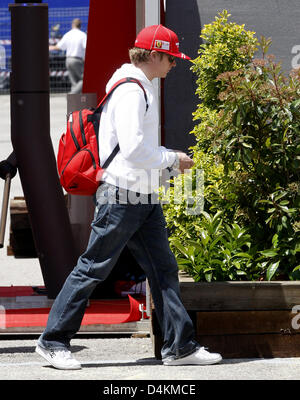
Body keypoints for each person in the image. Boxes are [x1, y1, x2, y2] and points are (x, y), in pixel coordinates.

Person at [36, 24, 222, 369]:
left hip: (138, 193)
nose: (173, 65)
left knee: (163, 269)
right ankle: (52, 341)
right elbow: (135, 147)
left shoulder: (136, 86)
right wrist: (171, 159)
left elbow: (136, 149)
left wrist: (163, 163)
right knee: (93, 268)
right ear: (153, 55)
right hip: (123, 193)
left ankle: (179, 347)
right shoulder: (133, 91)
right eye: (170, 58)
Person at [49, 18, 87, 94]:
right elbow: (86, 47)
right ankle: (72, 94)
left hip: (68, 59)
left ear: (72, 25)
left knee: (74, 82)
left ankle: (74, 101)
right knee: (84, 79)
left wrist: (49, 47)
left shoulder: (68, 34)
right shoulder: (83, 35)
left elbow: (59, 47)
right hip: (78, 60)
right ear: (80, 25)